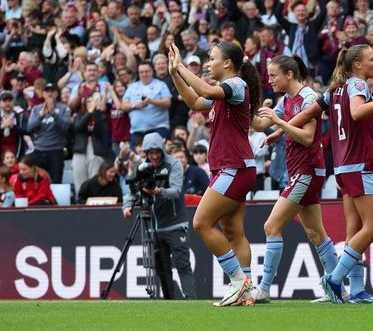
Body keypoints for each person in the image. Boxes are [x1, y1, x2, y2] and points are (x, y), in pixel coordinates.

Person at [168, 41, 261, 307]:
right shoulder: (225, 90)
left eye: (212, 58)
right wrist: (175, 74)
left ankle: (238, 282)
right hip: (234, 167)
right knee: (233, 232)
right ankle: (247, 291)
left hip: (234, 167)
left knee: (201, 223)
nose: (208, 63)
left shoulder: (236, 84)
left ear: (228, 63)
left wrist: (181, 67)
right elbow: (194, 100)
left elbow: (204, 90)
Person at [251, 55, 339, 304]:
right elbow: (260, 125)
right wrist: (247, 106)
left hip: (307, 171)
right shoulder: (286, 100)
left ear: (289, 75)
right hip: (302, 171)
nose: (270, 80)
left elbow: (308, 138)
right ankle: (337, 288)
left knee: (271, 226)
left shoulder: (308, 98)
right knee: (316, 232)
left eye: (273, 75)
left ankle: (264, 289)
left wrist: (280, 125)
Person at [320, 45, 373, 305]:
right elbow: (356, 112)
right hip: (359, 165)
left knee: (354, 230)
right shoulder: (358, 84)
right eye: (372, 59)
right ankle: (335, 279)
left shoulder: (335, 88)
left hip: (343, 166)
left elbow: (319, 110)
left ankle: (357, 290)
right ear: (357, 65)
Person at [121, 133, 195, 299]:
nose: (154, 156)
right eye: (150, 153)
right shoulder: (142, 167)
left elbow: (176, 191)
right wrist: (127, 207)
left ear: (162, 150)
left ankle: (191, 301)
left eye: (157, 152)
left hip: (176, 224)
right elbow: (132, 190)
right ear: (146, 153)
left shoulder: (173, 164)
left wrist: (158, 191)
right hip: (154, 227)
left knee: (182, 265)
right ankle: (170, 304)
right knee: (162, 269)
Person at [26, 83, 72, 183]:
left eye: (52, 91)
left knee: (56, 182)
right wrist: (41, 116)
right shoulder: (36, 109)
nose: (50, 94)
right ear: (43, 94)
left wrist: (53, 114)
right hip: (39, 150)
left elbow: (66, 127)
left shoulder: (64, 108)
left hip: (56, 150)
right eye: (47, 91)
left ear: (57, 94)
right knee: (38, 181)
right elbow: (29, 128)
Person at [72, 92, 114, 196]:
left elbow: (103, 130)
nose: (92, 103)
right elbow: (78, 128)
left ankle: (93, 201)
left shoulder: (101, 116)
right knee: (80, 180)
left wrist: (96, 113)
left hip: (96, 150)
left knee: (94, 180)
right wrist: (89, 113)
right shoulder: (78, 116)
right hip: (80, 150)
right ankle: (80, 201)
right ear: (85, 103)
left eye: (94, 101)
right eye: (89, 101)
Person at [122, 62, 173, 145]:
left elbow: (168, 102)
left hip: (158, 129)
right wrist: (135, 105)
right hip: (137, 131)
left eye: (147, 71)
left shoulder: (161, 85)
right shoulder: (132, 87)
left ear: (152, 71)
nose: (144, 74)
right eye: (141, 72)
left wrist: (151, 101)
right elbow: (123, 106)